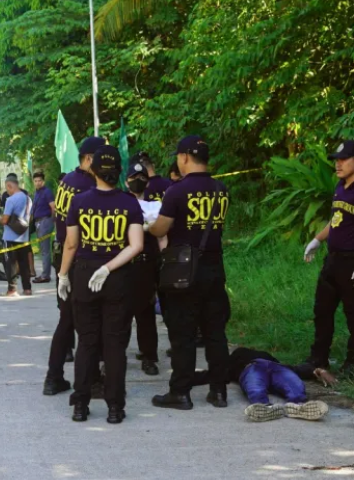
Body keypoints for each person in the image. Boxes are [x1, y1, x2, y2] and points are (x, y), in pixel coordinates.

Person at [58, 145, 144, 424]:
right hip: (118, 277)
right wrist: (109, 267)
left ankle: (80, 405)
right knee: (114, 345)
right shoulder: (130, 203)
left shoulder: (79, 202)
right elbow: (137, 245)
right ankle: (115, 408)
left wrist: (62, 275)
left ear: (92, 168)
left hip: (84, 274)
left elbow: (71, 244)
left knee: (86, 342)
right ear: (119, 171)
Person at [149, 135, 231, 411]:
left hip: (183, 272)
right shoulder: (221, 189)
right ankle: (219, 391)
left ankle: (180, 392)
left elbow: (161, 229)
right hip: (214, 269)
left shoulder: (176, 191)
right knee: (215, 332)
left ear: (184, 157)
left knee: (182, 334)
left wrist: (150, 224)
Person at [303, 140, 354, 379]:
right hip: (333, 261)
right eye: (336, 159)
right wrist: (317, 240)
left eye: (343, 159)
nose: (337, 164)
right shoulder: (341, 187)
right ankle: (318, 358)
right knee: (322, 310)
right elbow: (336, 220)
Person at [42, 136, 101, 396]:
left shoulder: (67, 181)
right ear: (88, 159)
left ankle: (53, 377)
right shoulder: (87, 186)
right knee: (89, 322)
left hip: (63, 258)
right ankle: (92, 380)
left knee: (66, 320)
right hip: (77, 260)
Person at [193, 347, 333, 422]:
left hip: (276, 367)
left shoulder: (263, 357)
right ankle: (266, 408)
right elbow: (215, 374)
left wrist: (317, 370)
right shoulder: (234, 361)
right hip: (252, 368)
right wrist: (189, 378)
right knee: (255, 388)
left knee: (294, 385)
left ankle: (297, 406)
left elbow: (296, 368)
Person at [124, 163, 160, 376]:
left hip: (146, 263)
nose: (137, 180)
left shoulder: (155, 206)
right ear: (127, 181)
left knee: (146, 313)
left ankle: (149, 357)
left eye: (141, 176)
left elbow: (162, 232)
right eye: (134, 176)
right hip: (125, 265)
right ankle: (114, 356)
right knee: (121, 314)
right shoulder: (120, 204)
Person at [0, 173, 33, 296]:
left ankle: (12, 290)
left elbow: (5, 220)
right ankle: (27, 288)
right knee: (24, 263)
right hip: (24, 236)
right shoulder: (28, 199)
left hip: (10, 237)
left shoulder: (10, 200)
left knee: (11, 264)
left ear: (9, 185)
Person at [31, 172, 55, 283]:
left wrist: (52, 220)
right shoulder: (37, 193)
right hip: (38, 222)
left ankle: (45, 275)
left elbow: (53, 207)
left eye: (39, 180)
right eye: (35, 181)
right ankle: (45, 274)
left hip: (45, 221)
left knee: (45, 251)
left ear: (43, 181)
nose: (37, 183)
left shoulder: (47, 192)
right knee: (43, 250)